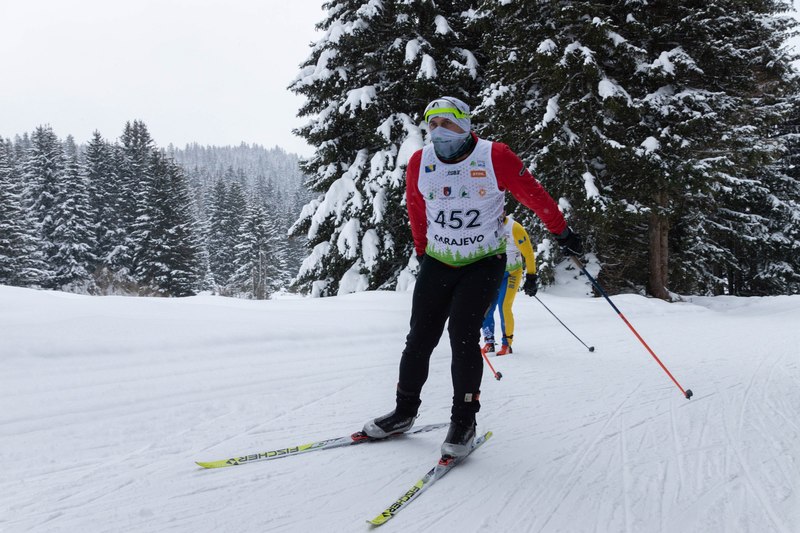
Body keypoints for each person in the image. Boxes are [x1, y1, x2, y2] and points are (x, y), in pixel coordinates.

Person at [362, 96, 583, 458]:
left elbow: (533, 194)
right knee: (419, 338)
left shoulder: (494, 156)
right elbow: (416, 206)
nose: (439, 131)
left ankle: (464, 421)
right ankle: (404, 412)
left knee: (463, 337)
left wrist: (561, 231)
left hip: (483, 261)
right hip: (438, 260)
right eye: (432, 124)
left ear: (464, 123)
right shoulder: (420, 161)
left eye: (447, 123)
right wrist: (422, 249)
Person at [481, 215, 538, 356]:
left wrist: (531, 277)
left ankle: (506, 344)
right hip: (494, 274)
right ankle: (489, 342)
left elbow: (528, 253)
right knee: (486, 306)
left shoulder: (514, 228)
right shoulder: (485, 224)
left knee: (504, 306)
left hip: (511, 274)